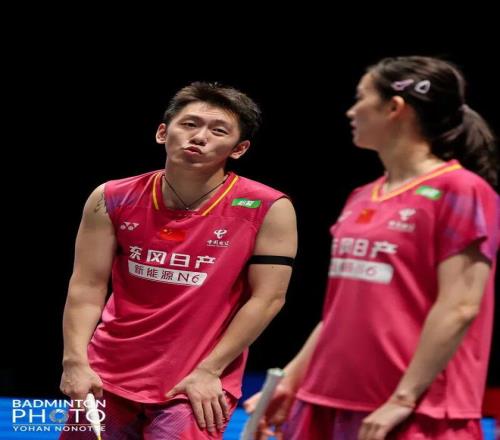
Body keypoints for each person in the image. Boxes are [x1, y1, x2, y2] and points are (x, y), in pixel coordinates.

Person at [244, 56, 499, 440]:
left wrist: (403, 398)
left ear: (394, 107)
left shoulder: (461, 190)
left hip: (408, 408)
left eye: (361, 98)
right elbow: (342, 308)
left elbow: (460, 306)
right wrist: (292, 379)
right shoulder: (362, 195)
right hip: (327, 396)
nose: (351, 111)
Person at [59, 81, 297, 439]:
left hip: (195, 383)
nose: (199, 137)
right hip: (105, 375)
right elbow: (87, 286)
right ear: (162, 132)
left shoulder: (268, 207)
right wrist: (75, 361)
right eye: (189, 124)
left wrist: (211, 369)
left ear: (239, 148)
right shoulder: (110, 197)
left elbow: (268, 298)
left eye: (218, 131)